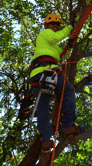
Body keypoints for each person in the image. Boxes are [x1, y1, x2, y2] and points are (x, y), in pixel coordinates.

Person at [30, 13, 84, 153]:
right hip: (47, 70)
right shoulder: (45, 34)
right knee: (68, 91)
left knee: (42, 106)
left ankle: (46, 140)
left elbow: (62, 56)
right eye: (53, 23)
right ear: (46, 25)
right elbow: (56, 37)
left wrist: (69, 46)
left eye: (57, 24)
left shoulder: (52, 45)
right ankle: (68, 125)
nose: (55, 26)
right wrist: (70, 28)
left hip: (38, 73)